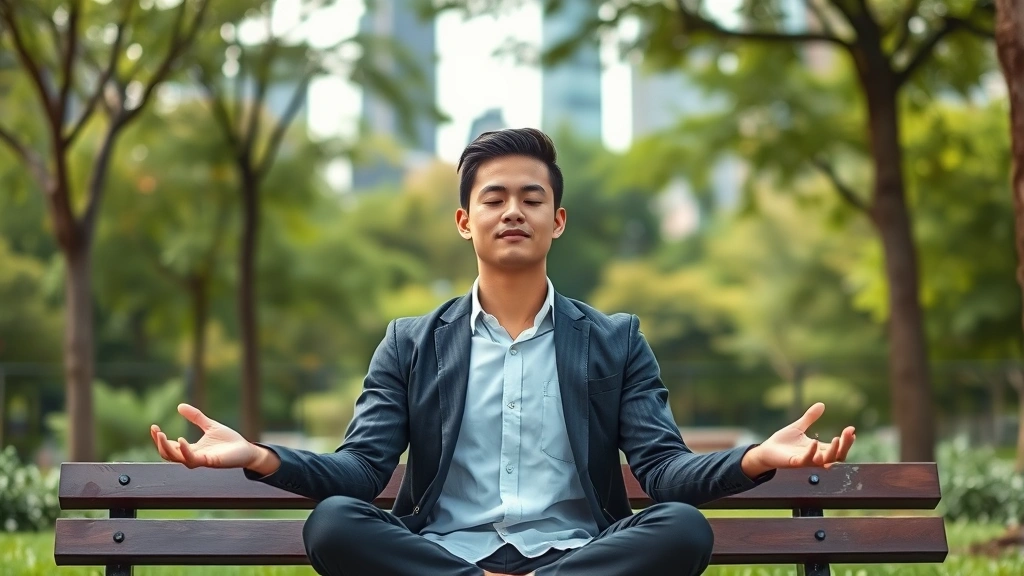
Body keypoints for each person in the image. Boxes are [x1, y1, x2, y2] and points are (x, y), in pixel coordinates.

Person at [151, 128, 856, 576]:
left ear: (558, 219)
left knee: (680, 530)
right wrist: (258, 457)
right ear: (465, 221)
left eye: (530, 197)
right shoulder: (411, 343)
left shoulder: (615, 341)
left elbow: (664, 472)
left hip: (580, 556)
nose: (512, 210)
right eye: (494, 199)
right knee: (334, 523)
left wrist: (756, 459)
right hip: (442, 555)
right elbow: (362, 473)